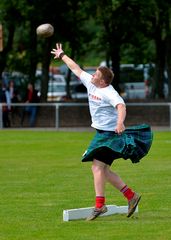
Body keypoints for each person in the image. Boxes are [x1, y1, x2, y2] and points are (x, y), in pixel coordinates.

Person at [51, 43, 153, 221]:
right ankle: (131, 196)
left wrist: (120, 122)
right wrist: (62, 55)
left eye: (96, 75)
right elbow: (76, 68)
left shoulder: (109, 92)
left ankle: (100, 206)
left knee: (96, 167)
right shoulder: (92, 84)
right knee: (103, 171)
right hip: (101, 134)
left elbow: (121, 106)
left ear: (103, 81)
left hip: (110, 135)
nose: (93, 75)